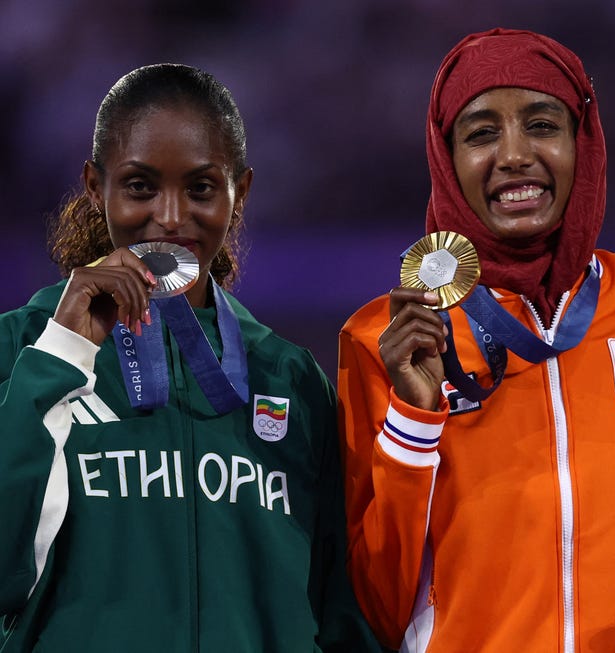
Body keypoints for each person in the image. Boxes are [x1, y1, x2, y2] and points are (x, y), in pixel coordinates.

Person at [337, 28, 615, 652]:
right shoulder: (387, 337)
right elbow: (376, 607)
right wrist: (414, 420)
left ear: (583, 144)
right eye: (481, 133)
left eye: (542, 125)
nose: (513, 155)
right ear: (445, 157)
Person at [0, 64, 379, 652]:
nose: (171, 217)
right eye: (140, 186)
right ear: (95, 186)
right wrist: (62, 353)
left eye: (201, 188)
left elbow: (342, 612)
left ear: (240, 192)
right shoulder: (19, 351)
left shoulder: (290, 378)